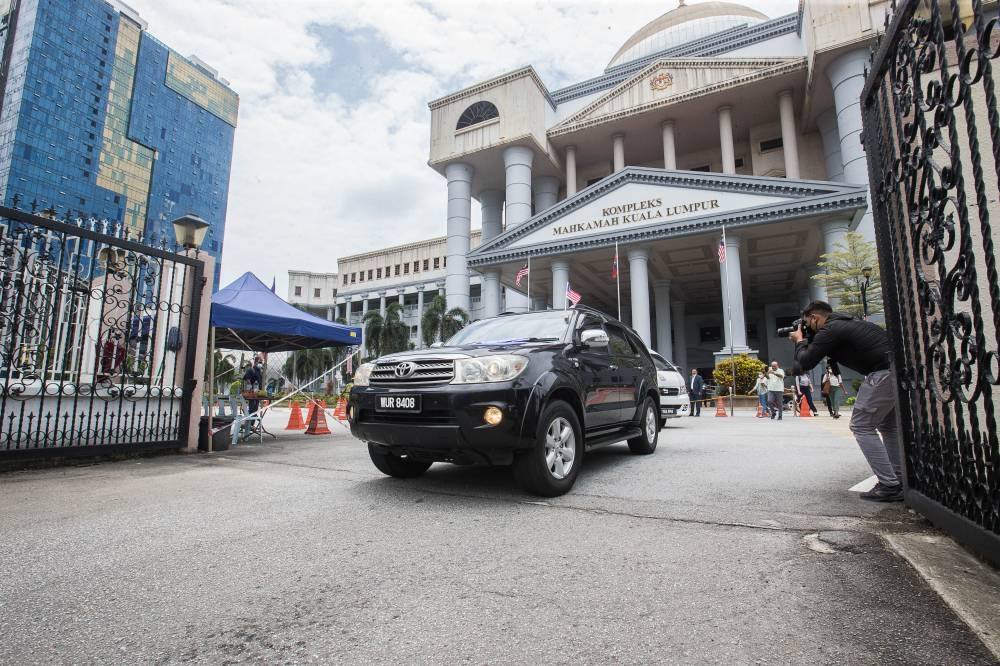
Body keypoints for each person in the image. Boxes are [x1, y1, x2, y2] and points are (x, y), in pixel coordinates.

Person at [790, 300, 902, 502]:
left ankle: (889, 484)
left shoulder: (831, 328)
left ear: (814, 317)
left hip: (882, 373)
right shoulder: (847, 322)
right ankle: (898, 479)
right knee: (888, 426)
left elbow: (805, 362)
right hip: (895, 369)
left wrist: (799, 341)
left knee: (860, 426)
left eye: (807, 323)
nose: (806, 327)